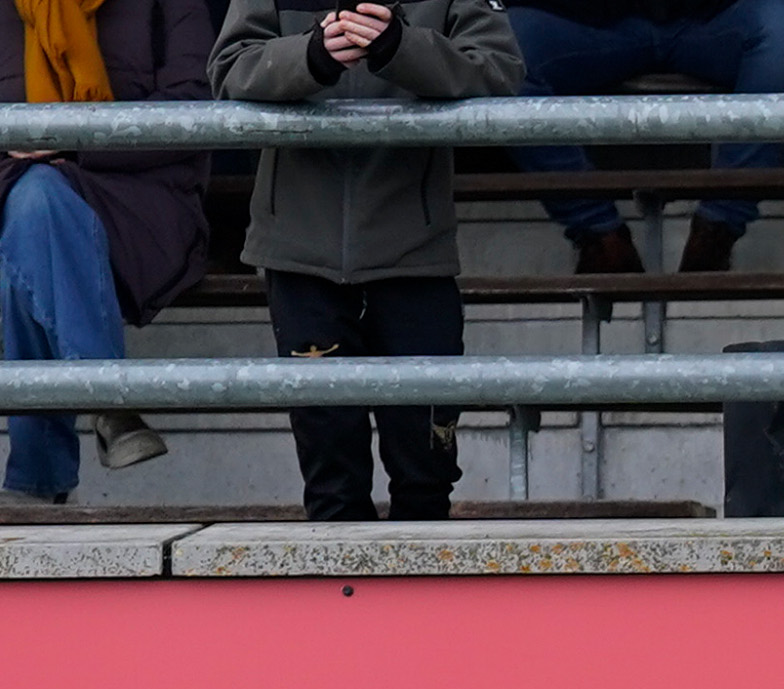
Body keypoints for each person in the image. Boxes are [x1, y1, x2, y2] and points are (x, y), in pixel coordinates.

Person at [212, 0, 522, 524]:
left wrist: (400, 47)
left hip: (413, 254)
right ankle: (340, 603)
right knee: (330, 476)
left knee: (425, 469)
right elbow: (228, 70)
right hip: (300, 253)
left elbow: (499, 70)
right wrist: (310, 56)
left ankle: (421, 603)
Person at [3, 0, 209, 508]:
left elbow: (195, 103)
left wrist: (71, 142)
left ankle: (39, 480)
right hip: (13, 189)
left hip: (134, 199)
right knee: (35, 211)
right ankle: (109, 400)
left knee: (33, 222)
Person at [499, 0, 784, 275]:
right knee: (501, 47)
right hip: (583, 20)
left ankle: (719, 226)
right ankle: (598, 235)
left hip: (719, 15)